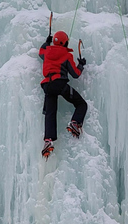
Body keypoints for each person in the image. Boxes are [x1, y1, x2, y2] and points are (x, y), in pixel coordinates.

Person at [39, 30, 88, 159]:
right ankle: (75, 123)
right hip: (59, 84)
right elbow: (75, 74)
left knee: (50, 113)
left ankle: (48, 140)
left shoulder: (47, 52)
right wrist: (81, 65)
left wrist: (47, 42)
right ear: (65, 43)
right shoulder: (66, 55)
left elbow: (41, 52)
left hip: (47, 85)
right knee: (81, 104)